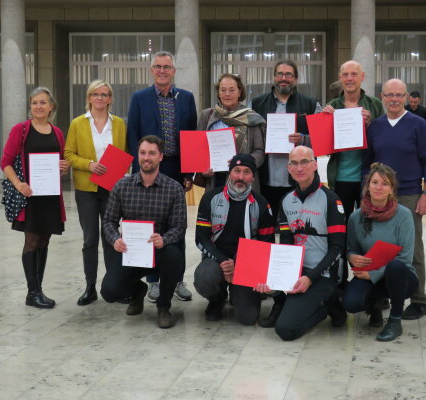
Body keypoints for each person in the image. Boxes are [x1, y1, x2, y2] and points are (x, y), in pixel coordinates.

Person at [255, 146, 346, 341]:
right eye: (294, 163)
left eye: (304, 162)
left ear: (315, 165)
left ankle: (329, 303)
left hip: (323, 274)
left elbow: (337, 247)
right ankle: (286, 303)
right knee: (266, 281)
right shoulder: (286, 200)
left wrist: (310, 278)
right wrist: (278, 278)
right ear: (288, 168)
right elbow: (286, 243)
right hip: (297, 271)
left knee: (285, 330)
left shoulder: (331, 200)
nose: (299, 168)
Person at [127, 51, 197, 303]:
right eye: (157, 66)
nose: (162, 71)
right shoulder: (139, 98)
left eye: (167, 67)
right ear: (151, 70)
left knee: (177, 225)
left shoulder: (186, 98)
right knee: (151, 226)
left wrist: (189, 172)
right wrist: (138, 171)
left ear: (174, 71)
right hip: (149, 170)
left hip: (176, 169)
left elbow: (191, 136)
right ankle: (153, 281)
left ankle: (177, 280)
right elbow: (133, 134)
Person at [363, 78, 426, 320]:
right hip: (379, 197)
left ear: (405, 97)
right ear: (382, 97)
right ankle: (382, 294)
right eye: (389, 95)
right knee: (380, 248)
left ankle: (419, 300)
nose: (394, 99)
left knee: (413, 249)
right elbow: (367, 163)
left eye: (399, 95)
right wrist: (367, 192)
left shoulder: (418, 124)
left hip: (409, 195)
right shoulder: (376, 127)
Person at [100, 135, 187, 329]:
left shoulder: (174, 188)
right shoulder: (121, 186)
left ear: (161, 157)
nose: (146, 157)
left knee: (174, 255)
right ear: (137, 155)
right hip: (131, 251)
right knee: (109, 292)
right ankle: (137, 292)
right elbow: (109, 221)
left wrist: (164, 239)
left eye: (152, 153)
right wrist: (115, 239)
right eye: (143, 153)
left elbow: (179, 227)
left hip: (160, 250)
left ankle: (163, 306)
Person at [1, 87, 69, 309]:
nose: (38, 106)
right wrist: (19, 184)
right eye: (34, 103)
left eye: (43, 102)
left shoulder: (57, 132)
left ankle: (38, 289)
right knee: (31, 240)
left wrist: (64, 167)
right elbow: (6, 162)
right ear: (30, 106)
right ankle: (32, 293)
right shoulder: (20, 130)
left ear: (51, 106)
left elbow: (59, 163)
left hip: (50, 196)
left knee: (44, 240)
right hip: (29, 196)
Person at [64, 80, 128, 306]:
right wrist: (89, 165)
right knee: (90, 239)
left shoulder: (119, 123)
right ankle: (90, 287)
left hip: (112, 188)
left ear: (110, 99)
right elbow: (69, 154)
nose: (100, 98)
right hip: (87, 189)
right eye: (95, 94)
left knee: (112, 238)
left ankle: (113, 287)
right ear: (89, 98)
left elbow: (125, 152)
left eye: (104, 94)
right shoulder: (78, 123)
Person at [194, 154, 275, 324]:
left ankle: (238, 294)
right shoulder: (210, 198)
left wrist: (238, 264)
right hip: (217, 258)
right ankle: (217, 299)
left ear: (253, 177)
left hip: (247, 263)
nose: (241, 177)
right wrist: (224, 262)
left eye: (246, 172)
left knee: (248, 319)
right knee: (205, 278)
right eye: (236, 171)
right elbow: (201, 238)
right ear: (229, 173)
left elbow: (267, 246)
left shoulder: (262, 204)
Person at [342, 163, 418, 342]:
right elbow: (351, 248)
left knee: (395, 266)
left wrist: (372, 275)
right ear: (367, 186)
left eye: (385, 184)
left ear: (392, 189)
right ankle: (374, 306)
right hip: (369, 272)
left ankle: (395, 319)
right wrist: (352, 256)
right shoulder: (356, 217)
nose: (379, 187)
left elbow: (406, 258)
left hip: (401, 277)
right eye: (375, 182)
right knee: (350, 303)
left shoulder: (404, 215)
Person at [251, 59, 322, 220]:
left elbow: (321, 141)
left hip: (299, 180)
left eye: (289, 75)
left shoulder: (311, 105)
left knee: (298, 225)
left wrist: (303, 139)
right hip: (265, 179)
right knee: (267, 226)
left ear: (295, 79)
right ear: (274, 77)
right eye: (280, 74)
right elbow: (250, 138)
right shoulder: (256, 104)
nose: (284, 78)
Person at [323, 60, 384, 218]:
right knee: (342, 223)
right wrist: (324, 122)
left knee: (369, 223)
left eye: (354, 74)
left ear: (362, 77)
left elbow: (384, 140)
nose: (349, 78)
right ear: (340, 78)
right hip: (340, 177)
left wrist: (371, 125)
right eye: (345, 74)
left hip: (369, 176)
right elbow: (324, 147)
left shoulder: (375, 104)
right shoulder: (332, 106)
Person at [197, 74, 266, 191]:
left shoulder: (251, 118)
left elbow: (259, 151)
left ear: (239, 92)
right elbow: (199, 148)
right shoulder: (207, 115)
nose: (227, 94)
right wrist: (202, 168)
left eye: (232, 90)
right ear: (218, 93)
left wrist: (244, 163)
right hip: (215, 180)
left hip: (243, 180)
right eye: (223, 90)